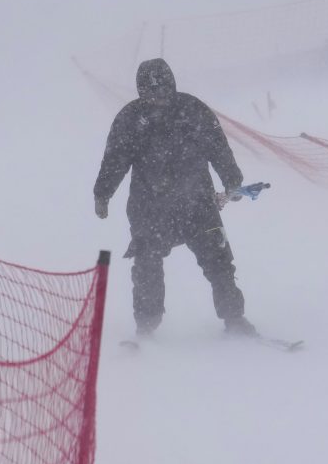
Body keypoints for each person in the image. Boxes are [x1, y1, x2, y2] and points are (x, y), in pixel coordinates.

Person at [93, 58, 256, 337]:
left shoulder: (192, 110)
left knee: (219, 260)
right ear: (141, 90)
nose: (158, 95)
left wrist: (232, 181)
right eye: (151, 90)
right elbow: (115, 160)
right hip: (149, 208)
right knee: (147, 264)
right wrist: (103, 193)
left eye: (163, 88)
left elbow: (218, 147)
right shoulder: (131, 119)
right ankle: (146, 326)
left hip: (198, 204)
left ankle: (234, 318)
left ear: (172, 84)